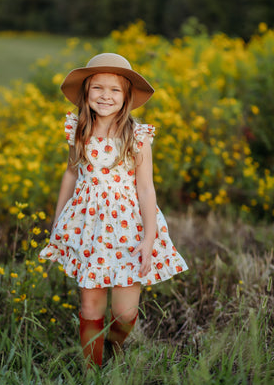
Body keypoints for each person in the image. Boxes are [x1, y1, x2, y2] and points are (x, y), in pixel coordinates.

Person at [39, 53, 188, 367]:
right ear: (86, 93)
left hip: (127, 228)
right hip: (87, 227)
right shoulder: (77, 129)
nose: (105, 96)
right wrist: (58, 223)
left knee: (125, 312)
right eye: (98, 88)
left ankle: (113, 343)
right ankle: (92, 374)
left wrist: (149, 238)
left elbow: (146, 189)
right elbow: (70, 173)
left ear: (127, 97)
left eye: (115, 90)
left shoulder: (137, 137)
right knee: (91, 304)